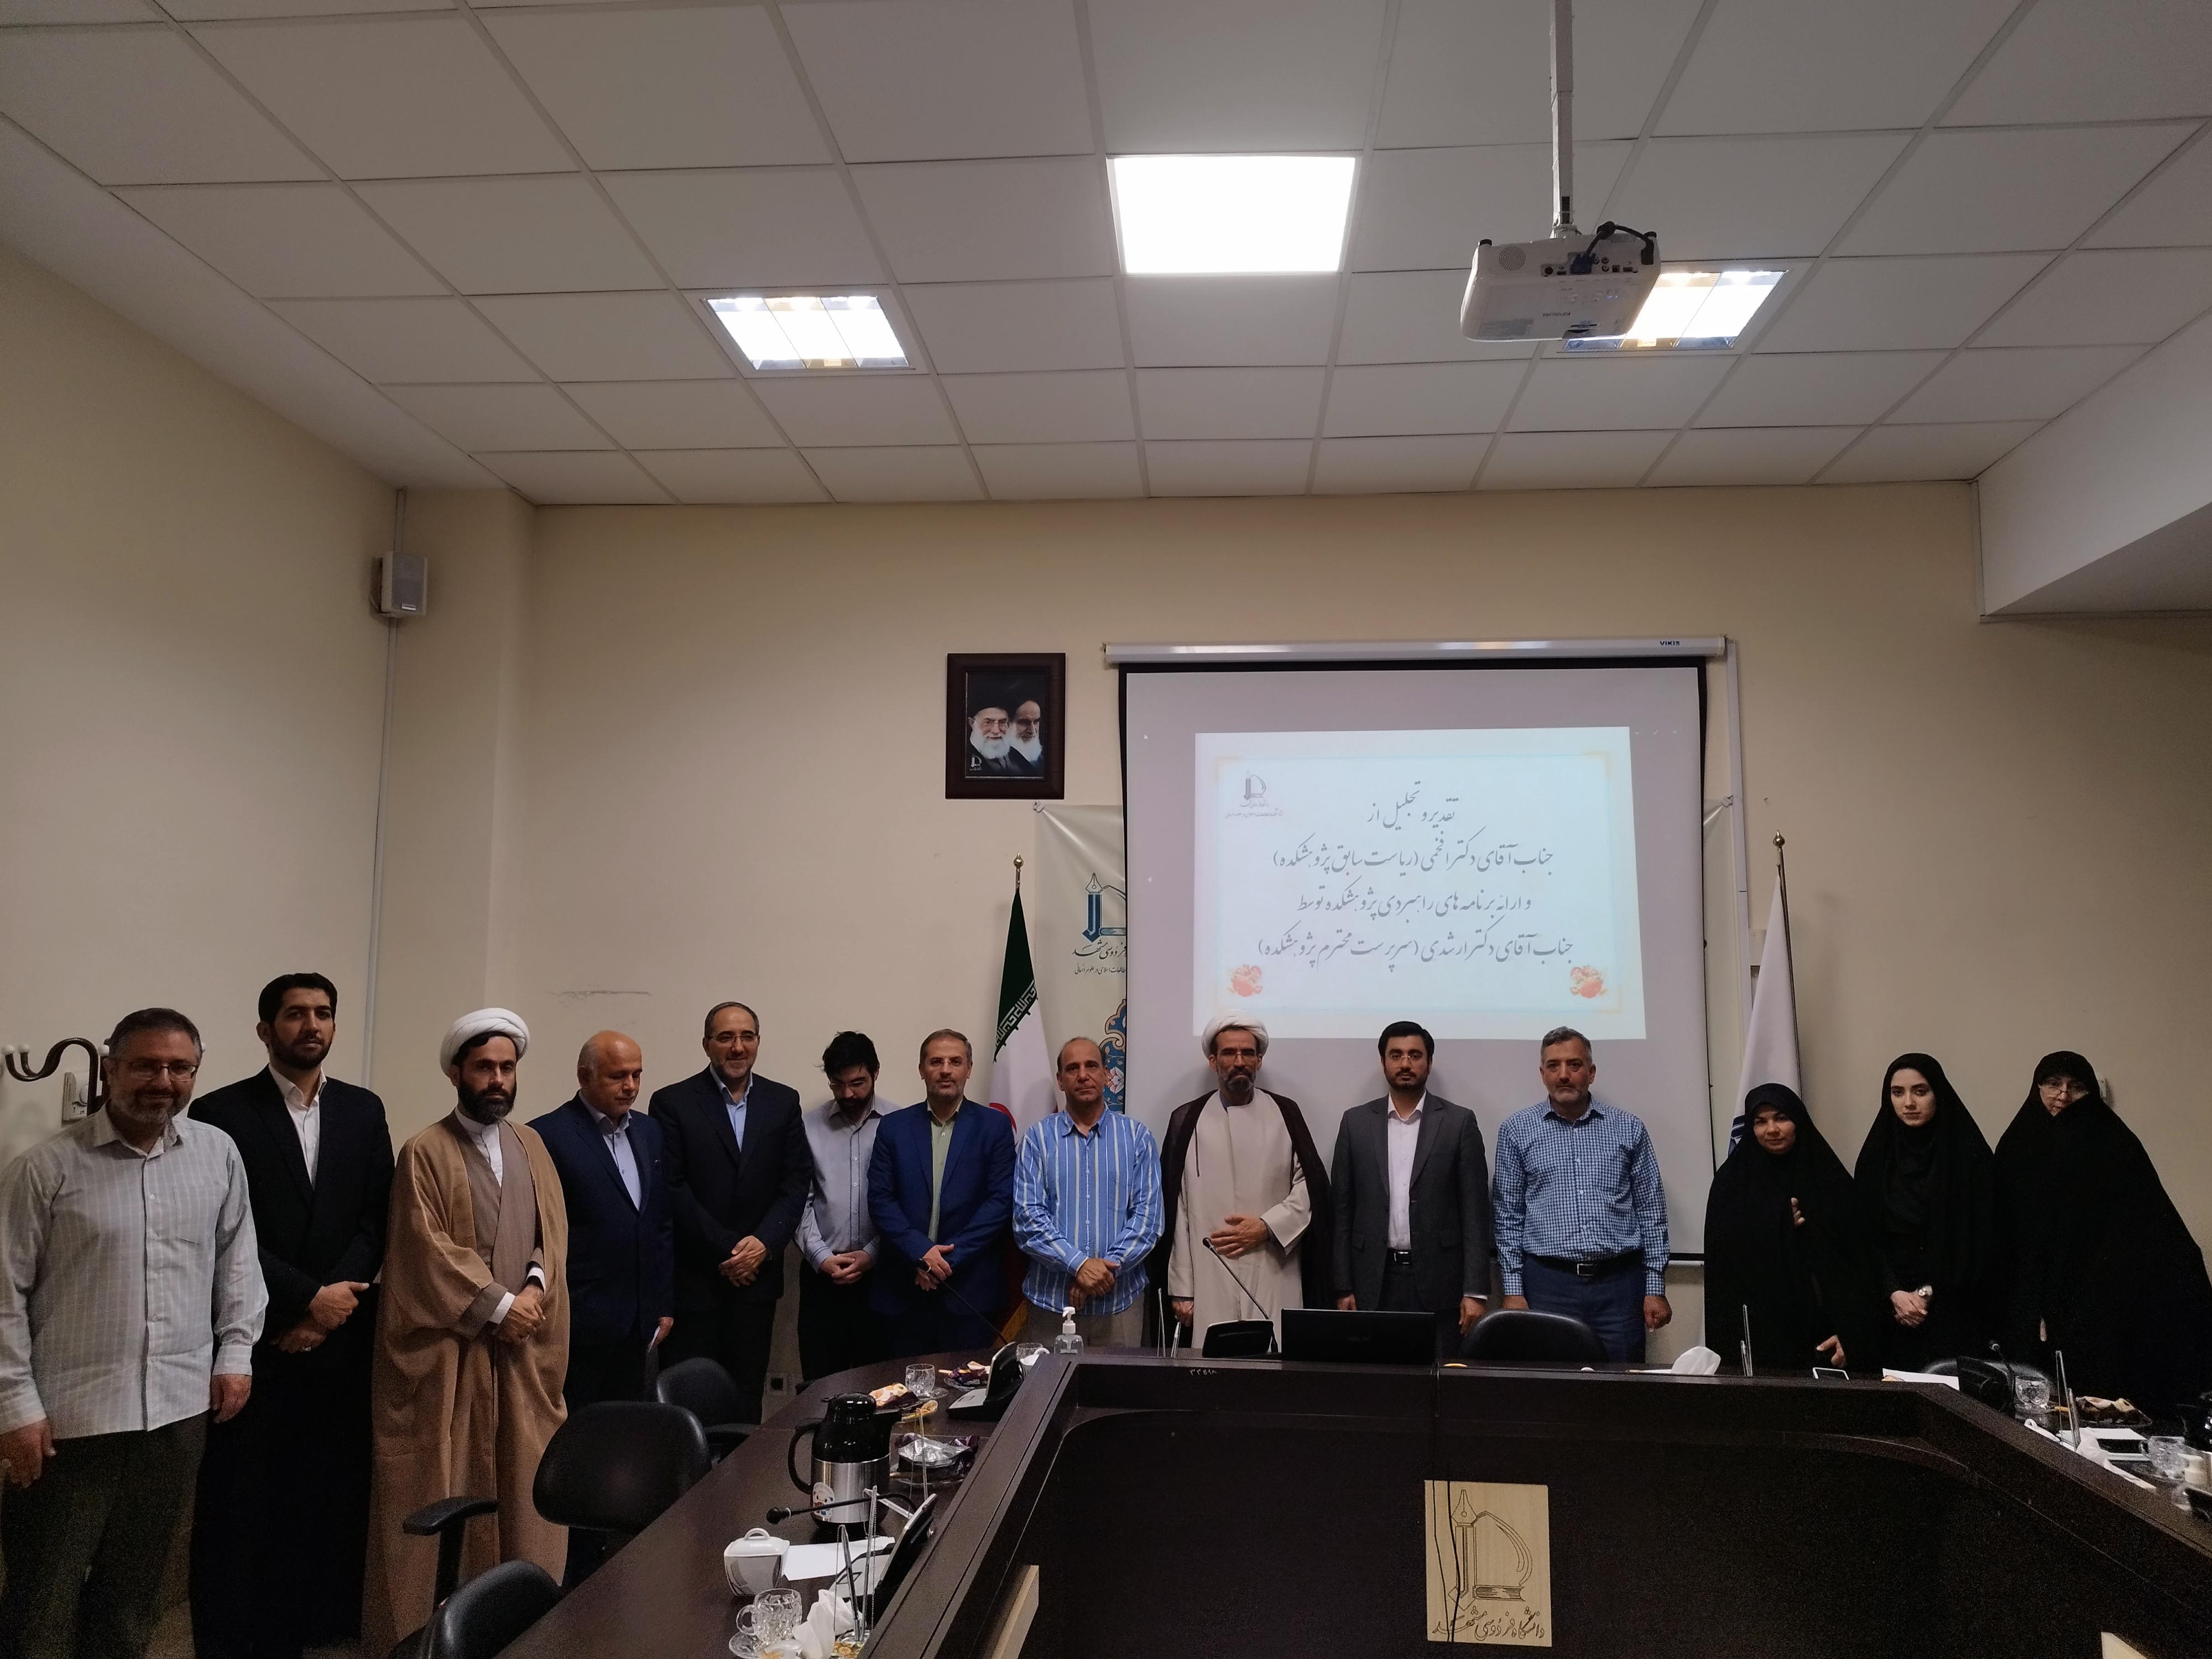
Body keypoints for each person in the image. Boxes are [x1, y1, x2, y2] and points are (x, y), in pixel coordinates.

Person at [0, 1008, 264, 1659]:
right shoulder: (46, 1168)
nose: (163, 1082)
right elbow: (5, 1295)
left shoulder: (218, 1154)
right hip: (69, 1424)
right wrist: (15, 1407)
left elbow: (237, 1261)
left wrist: (236, 1353)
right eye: (146, 1066)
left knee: (134, 1595)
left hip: (176, 1415)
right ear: (111, 1069)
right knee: (43, 1595)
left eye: (180, 1068)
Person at [188, 973, 394, 1659]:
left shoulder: (363, 1109)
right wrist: (306, 1298)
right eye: (296, 1014)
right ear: (265, 1029)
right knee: (245, 1504)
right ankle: (237, 1641)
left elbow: (378, 1216)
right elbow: (225, 1230)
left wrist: (333, 1305)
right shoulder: (221, 1112)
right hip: (258, 1336)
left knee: (326, 1492)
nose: (312, 1025)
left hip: (341, 1338)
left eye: (323, 1013)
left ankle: (314, 1627)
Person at [363, 1010, 569, 1657]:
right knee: (445, 1487)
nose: (497, 1079)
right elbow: (422, 1250)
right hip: (452, 1361)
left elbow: (553, 1233)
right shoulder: (424, 1150)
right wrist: (498, 1306)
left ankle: (521, 1626)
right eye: (484, 1067)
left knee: (522, 1488)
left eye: (507, 1068)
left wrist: (533, 1289)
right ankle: (431, 1639)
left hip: (521, 1355)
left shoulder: (532, 1145)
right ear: (456, 1073)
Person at [1996, 1051, 2212, 1414]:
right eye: (2053, 1084)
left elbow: (2150, 1224)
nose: (2063, 1095)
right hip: (2030, 1298)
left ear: (2092, 1093)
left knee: (2097, 1401)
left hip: (2098, 1298)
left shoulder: (2113, 1142)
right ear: (2037, 1087)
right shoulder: (2018, 1142)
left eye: (2076, 1087)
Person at [649, 1001, 809, 1425]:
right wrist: (732, 1251)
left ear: (758, 1042)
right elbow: (672, 1188)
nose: (738, 1047)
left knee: (746, 1402)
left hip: (756, 1287)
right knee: (688, 1408)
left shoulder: (783, 1101)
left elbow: (796, 1183)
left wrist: (764, 1245)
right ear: (707, 1045)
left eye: (746, 1037)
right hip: (697, 1283)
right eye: (726, 1038)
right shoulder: (672, 1102)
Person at [1491, 1026, 1670, 1363]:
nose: (1564, 1075)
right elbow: (1507, 1217)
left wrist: (1655, 1287)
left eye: (1574, 1065)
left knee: (1622, 1383)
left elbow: (1652, 1211)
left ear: (1591, 1072)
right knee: (1552, 1385)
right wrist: (1513, 1290)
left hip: (1619, 1286)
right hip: (1548, 1285)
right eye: (1553, 1066)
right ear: (1542, 1074)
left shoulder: (1628, 1128)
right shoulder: (1517, 1130)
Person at [1152, 1018, 1333, 1347]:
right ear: (1213, 1061)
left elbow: (1310, 1186)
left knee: (1274, 1359)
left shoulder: (1285, 1112)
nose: (1240, 1062)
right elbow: (1177, 1208)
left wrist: (1267, 1226)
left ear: (1259, 1061)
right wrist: (1182, 1289)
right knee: (1213, 1363)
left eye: (1248, 1053)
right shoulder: (1187, 1119)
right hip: (1210, 1275)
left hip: (1274, 1265)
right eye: (1229, 1053)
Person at [529, 1032, 674, 1413]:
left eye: (637, 1075)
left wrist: (661, 1302)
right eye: (617, 1076)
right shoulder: (546, 1136)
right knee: (577, 1427)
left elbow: (658, 1222)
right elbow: (539, 1232)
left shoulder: (649, 1131)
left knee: (626, 1428)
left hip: (639, 1322)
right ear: (584, 1076)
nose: (631, 1086)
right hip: (579, 1321)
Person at [1331, 1021, 1491, 1358]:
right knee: (1376, 1378)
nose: (1405, 1063)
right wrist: (1343, 1285)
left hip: (1441, 1282)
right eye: (1396, 1055)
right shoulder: (1355, 1122)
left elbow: (1475, 1213)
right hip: (1373, 1281)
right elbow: (1342, 1211)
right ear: (1383, 1062)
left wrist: (1475, 1291)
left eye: (1415, 1055)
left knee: (1440, 1377)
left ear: (1429, 1063)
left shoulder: (1459, 1122)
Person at [1704, 1083, 1881, 1377]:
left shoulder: (1829, 1178)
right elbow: (1725, 1272)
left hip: (1826, 1334)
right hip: (1762, 1339)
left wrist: (1853, 1332)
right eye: (1760, 1122)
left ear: (1798, 1121)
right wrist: (1774, 1222)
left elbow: (1859, 1264)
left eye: (1781, 1118)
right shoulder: (1731, 1184)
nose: (1772, 1129)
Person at [868, 1031, 1016, 1355]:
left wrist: (942, 1262)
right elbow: (881, 1200)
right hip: (903, 1291)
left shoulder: (995, 1127)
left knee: (967, 1386)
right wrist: (921, 1253)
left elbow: (1000, 1203)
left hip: (969, 1293)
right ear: (921, 1070)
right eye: (936, 1062)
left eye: (955, 1062)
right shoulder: (893, 1127)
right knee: (902, 1385)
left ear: (969, 1069)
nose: (946, 1070)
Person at [1851, 1052, 2000, 1373]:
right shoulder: (1876, 1158)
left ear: (1939, 1094)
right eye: (1898, 1093)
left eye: (1920, 1091)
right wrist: (1893, 1292)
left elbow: (1984, 1241)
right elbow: (1863, 1236)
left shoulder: (1971, 1158)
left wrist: (1927, 1292)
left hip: (1956, 1308)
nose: (1908, 1103)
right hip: (1890, 1312)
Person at [1013, 1038, 1162, 1348]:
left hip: (1120, 1304)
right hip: (1052, 1305)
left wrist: (1101, 1273)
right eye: (1073, 1069)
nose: (1083, 1075)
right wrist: (1079, 1265)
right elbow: (1028, 1219)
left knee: (1119, 1382)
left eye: (1092, 1066)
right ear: (1060, 1080)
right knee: (1048, 1382)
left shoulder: (1137, 1137)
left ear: (1106, 1075)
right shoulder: (1036, 1139)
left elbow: (1148, 1220)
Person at [795, 1032, 895, 1383]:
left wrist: (872, 1254)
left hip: (883, 1276)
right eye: (838, 1084)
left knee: (882, 1388)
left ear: (876, 1073)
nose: (848, 1094)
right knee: (821, 1387)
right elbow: (799, 1199)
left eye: (858, 1083)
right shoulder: (807, 1126)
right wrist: (821, 1256)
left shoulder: (900, 1124)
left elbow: (907, 1203)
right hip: (822, 1278)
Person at [965, 694, 1024, 778]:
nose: (996, 731)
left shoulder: (1015, 755)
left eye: (1002, 722)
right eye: (988, 723)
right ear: (972, 723)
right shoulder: (963, 759)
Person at [1008, 698, 1045, 774]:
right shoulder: (1000, 762)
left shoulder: (1046, 755)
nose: (1032, 731)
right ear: (1009, 723)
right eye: (1025, 722)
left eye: (1036, 722)